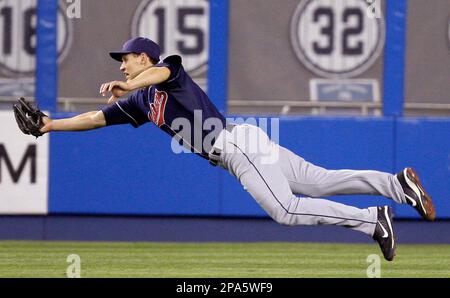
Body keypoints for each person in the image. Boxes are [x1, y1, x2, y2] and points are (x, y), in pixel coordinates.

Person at [37, 37, 435, 262]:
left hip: (235, 146)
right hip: (241, 143)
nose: (121, 67)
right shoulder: (141, 103)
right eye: (121, 64)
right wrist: (51, 124)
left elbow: (158, 73)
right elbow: (96, 117)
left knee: (287, 210)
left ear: (143, 57)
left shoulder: (166, 71)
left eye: (125, 60)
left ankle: (373, 220)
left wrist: (132, 83)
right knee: (318, 182)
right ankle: (397, 185)